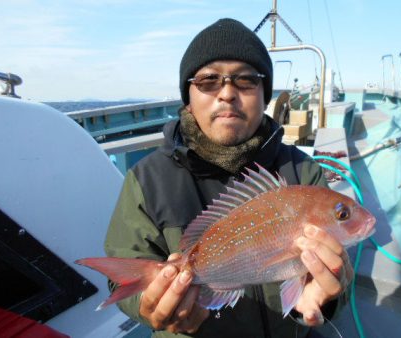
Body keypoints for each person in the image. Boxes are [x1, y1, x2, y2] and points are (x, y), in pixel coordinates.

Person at [104, 18, 353, 338]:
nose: (227, 93)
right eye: (208, 81)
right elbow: (124, 277)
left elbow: (330, 281)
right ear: (188, 98)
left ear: (266, 96)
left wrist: (329, 295)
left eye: (246, 80)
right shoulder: (148, 180)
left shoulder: (303, 172)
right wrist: (149, 304)